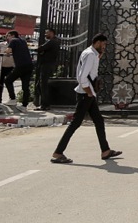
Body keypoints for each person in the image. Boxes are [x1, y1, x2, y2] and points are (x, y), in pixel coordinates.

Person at [50, 34, 121, 164]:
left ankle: (105, 150)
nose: (105, 47)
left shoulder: (91, 54)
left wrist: (90, 93)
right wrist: (88, 92)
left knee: (99, 120)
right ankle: (58, 152)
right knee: (75, 123)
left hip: (89, 93)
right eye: (103, 44)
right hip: (85, 94)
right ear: (98, 42)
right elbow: (83, 77)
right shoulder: (90, 55)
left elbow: (90, 70)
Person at [5, 30, 34, 107]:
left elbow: (8, 51)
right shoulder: (23, 41)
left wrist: (6, 51)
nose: (7, 38)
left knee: (8, 80)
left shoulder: (13, 40)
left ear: (12, 35)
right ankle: (24, 105)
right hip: (29, 65)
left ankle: (12, 99)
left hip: (20, 65)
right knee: (25, 86)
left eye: (8, 36)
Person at [35, 28, 59, 110]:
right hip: (47, 65)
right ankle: (45, 103)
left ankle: (45, 105)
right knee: (39, 85)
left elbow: (39, 49)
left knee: (43, 85)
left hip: (47, 65)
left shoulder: (52, 42)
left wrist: (41, 50)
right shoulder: (53, 42)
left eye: (47, 33)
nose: (45, 34)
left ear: (52, 33)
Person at [0, 37, 16, 103]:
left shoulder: (16, 45)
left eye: (10, 36)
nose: (9, 37)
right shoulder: (0, 45)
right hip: (1, 66)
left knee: (9, 82)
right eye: (7, 36)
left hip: (11, 66)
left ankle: (12, 98)